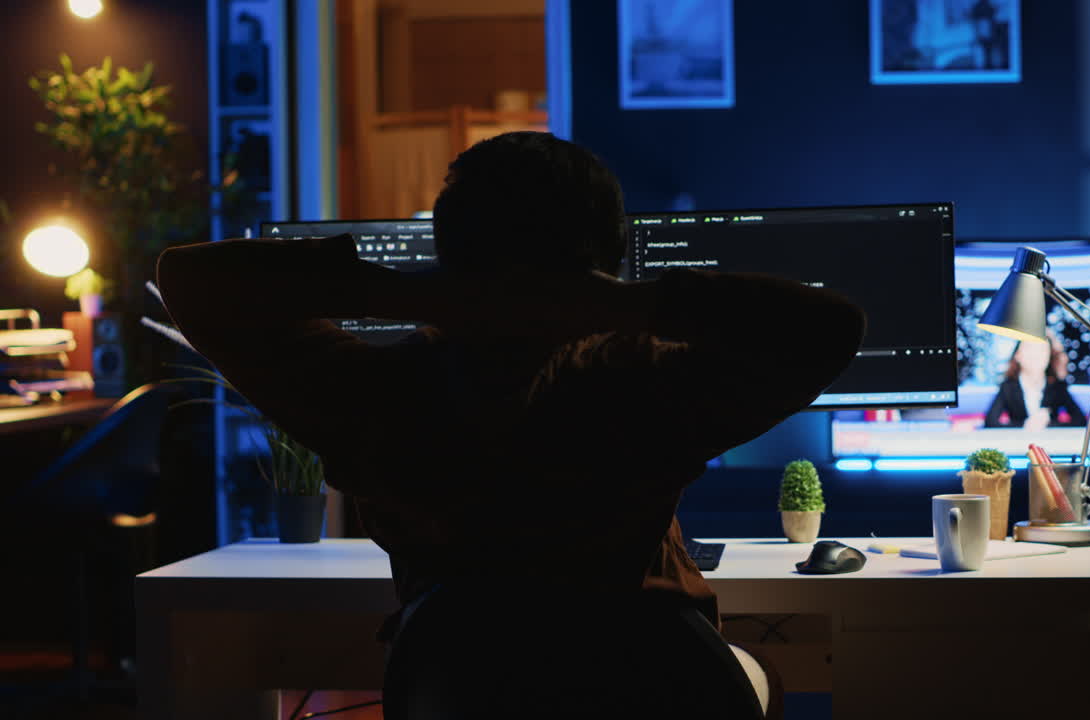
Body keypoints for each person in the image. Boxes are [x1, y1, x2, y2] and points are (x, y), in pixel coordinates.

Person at [157, 131, 866, 718]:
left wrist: (413, 292)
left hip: (454, 685)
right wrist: (618, 303)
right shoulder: (645, 384)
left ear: (447, 250)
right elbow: (829, 327)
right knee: (763, 672)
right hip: (665, 681)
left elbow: (191, 281)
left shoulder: (376, 393)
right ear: (606, 258)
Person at [983, 333, 1087, 430]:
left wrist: (1048, 425)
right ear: (1018, 355)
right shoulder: (1008, 387)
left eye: (1042, 350)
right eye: (1030, 349)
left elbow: (1080, 420)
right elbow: (990, 422)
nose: (1036, 355)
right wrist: (1025, 425)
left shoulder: (1057, 386)